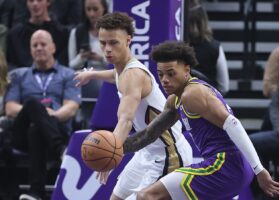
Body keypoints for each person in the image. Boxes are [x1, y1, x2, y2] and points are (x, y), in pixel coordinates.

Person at [121, 41, 279, 200]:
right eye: (160, 74)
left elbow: (234, 124)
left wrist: (259, 170)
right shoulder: (175, 100)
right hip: (232, 168)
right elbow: (149, 134)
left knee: (147, 196)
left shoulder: (192, 94)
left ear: (187, 70)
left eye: (171, 73)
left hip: (226, 165)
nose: (164, 80)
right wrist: (117, 148)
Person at [74, 12, 193, 200]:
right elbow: (115, 75)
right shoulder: (122, 69)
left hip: (168, 154)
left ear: (128, 40)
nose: (107, 49)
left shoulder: (133, 75)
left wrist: (111, 154)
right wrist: (92, 75)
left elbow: (125, 120)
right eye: (103, 43)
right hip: (146, 152)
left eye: (114, 43)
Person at [4, 30, 81, 200]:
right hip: (21, 135)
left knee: (36, 130)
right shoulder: (19, 75)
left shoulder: (68, 74)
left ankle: (35, 193)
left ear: (53, 47)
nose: (39, 48)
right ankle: (61, 151)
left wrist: (46, 119)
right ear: (30, 50)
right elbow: (10, 108)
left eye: (43, 44)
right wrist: (40, 113)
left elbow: (71, 108)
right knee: (32, 104)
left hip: (56, 129)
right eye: (35, 45)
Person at [5, 0, 69, 69]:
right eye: (31, 1)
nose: (35, 4)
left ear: (48, 2)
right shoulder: (15, 35)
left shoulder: (62, 33)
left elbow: (63, 62)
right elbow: (10, 63)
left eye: (39, 0)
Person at [186, 4, 229, 95]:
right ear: (204, 22)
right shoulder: (215, 47)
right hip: (207, 100)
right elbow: (224, 87)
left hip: (183, 101)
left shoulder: (180, 46)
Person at [68, 0, 108, 71]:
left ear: (104, 8)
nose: (91, 14)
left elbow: (119, 63)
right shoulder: (76, 32)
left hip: (108, 77)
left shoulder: (113, 32)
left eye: (95, 9)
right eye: (88, 9)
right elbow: (71, 65)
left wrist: (101, 58)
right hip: (84, 77)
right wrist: (81, 57)